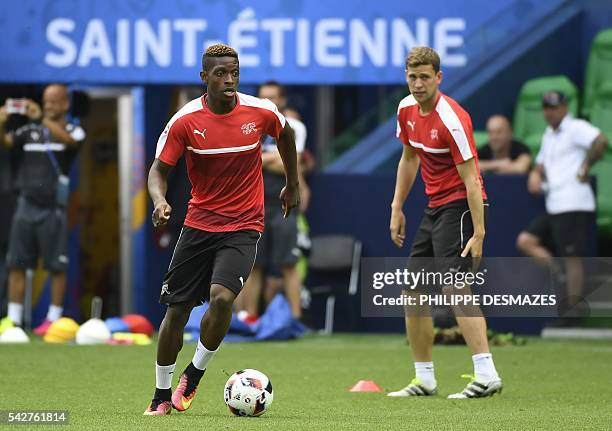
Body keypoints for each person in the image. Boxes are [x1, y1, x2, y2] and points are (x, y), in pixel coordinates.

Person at [144, 44, 299, 416]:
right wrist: (159, 201)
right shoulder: (184, 121)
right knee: (177, 312)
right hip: (198, 224)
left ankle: (194, 375)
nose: (229, 79)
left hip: (244, 224)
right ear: (204, 78)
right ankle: (161, 395)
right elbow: (157, 172)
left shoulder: (260, 111)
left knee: (222, 298)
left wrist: (292, 184)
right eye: (220, 73)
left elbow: (287, 135)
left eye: (234, 72)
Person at [388, 47, 502, 399]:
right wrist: (397, 207)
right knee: (413, 291)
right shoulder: (405, 109)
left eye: (425, 77)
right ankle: (425, 379)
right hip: (434, 206)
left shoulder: (452, 117)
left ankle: (487, 374)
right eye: (412, 77)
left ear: (439, 77)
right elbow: (409, 158)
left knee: (454, 286)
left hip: (462, 206)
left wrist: (479, 232)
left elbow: (472, 179)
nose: (418, 84)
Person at [0, 85, 85, 335]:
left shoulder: (74, 130)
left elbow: (69, 142)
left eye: (53, 102)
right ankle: (14, 321)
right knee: (17, 262)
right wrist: (2, 121)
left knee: (56, 265)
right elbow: (6, 142)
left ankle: (53, 320)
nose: (48, 106)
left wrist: (41, 118)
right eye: (45, 102)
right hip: (26, 204)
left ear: (65, 104)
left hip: (54, 207)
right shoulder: (30, 130)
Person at [516, 91, 608, 315]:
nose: (550, 112)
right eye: (547, 107)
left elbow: (600, 141)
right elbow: (541, 164)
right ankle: (559, 274)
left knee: (572, 258)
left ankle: (573, 309)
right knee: (526, 240)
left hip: (574, 202)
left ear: (565, 108)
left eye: (554, 107)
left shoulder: (575, 127)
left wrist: (586, 167)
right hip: (555, 203)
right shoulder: (549, 133)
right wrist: (536, 174)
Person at [236, 81, 308, 321]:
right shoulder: (248, 126)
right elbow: (242, 161)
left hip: (283, 206)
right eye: (264, 97)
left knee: (289, 263)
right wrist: (273, 158)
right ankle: (248, 319)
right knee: (251, 266)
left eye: (274, 97)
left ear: (283, 99)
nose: (269, 102)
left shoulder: (294, 125)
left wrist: (260, 158)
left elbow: (291, 163)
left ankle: (296, 321)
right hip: (252, 206)